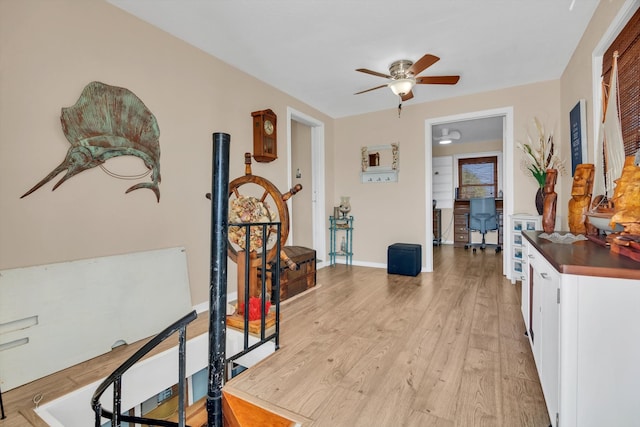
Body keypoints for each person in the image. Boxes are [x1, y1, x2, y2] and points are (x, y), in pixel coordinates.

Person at [568, 164, 594, 234]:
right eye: (575, 179)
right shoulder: (570, 202)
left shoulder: (589, 201)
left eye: (581, 177)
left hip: (585, 240)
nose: (576, 177)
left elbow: (590, 225)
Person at [542, 169, 558, 233]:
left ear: (554, 181)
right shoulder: (546, 196)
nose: (547, 183)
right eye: (546, 182)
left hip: (550, 225)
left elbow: (553, 211)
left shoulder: (553, 195)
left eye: (549, 181)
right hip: (545, 224)